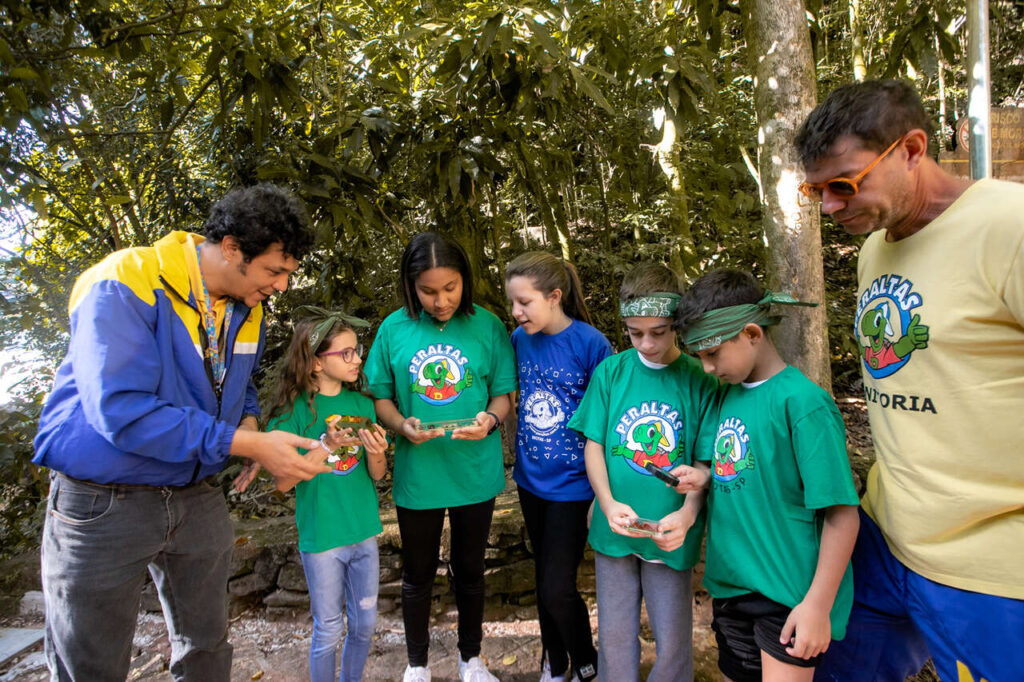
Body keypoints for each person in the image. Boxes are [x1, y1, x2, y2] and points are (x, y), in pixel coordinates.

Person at [33, 183, 329, 681]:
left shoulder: (246, 305)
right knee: (91, 662)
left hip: (196, 497)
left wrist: (249, 424)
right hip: (104, 502)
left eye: (287, 274)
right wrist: (245, 443)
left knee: (207, 649)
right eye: (274, 271)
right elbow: (121, 410)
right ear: (232, 248)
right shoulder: (125, 280)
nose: (280, 286)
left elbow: (237, 384)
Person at [795, 79, 1024, 682]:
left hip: (988, 568)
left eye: (844, 184)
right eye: (816, 190)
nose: (829, 206)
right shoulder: (877, 246)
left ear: (913, 150)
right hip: (885, 535)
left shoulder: (1009, 227)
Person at [675, 268, 860, 682]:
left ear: (753, 334)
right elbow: (731, 466)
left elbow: (842, 514)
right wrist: (703, 479)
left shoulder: (804, 405)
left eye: (712, 354)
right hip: (730, 590)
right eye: (699, 357)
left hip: (788, 595)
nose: (705, 368)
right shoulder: (725, 395)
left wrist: (817, 605)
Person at [363, 232, 518, 682]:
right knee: (417, 574)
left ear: (464, 281)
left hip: (475, 470)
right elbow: (382, 397)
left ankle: (472, 659)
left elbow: (503, 396)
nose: (441, 300)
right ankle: (417, 665)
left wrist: (489, 420)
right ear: (410, 286)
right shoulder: (394, 328)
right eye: (428, 291)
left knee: (470, 570)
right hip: (420, 473)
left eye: (450, 288)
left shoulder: (487, 325)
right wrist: (401, 426)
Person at [567, 262, 717, 682]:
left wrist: (688, 515)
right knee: (614, 635)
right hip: (616, 526)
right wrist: (607, 500)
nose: (647, 343)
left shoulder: (698, 378)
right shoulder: (612, 372)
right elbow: (593, 444)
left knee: (673, 636)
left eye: (659, 331)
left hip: (670, 530)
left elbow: (705, 463)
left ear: (677, 324)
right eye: (635, 333)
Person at [264, 309, 389, 682]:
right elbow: (282, 484)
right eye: (346, 353)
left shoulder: (363, 406)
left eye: (357, 350)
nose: (358, 359)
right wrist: (325, 444)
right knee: (329, 630)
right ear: (317, 362)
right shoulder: (292, 413)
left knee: (365, 624)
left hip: (364, 529)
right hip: (322, 538)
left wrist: (378, 450)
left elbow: (376, 474)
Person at [505, 252, 612, 682]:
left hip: (575, 488)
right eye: (513, 302)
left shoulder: (591, 344)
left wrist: (603, 495)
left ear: (555, 296)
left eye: (524, 302)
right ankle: (556, 662)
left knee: (556, 586)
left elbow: (607, 420)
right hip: (531, 481)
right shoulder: (518, 339)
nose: (516, 312)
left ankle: (587, 663)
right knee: (542, 577)